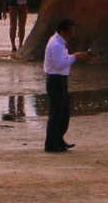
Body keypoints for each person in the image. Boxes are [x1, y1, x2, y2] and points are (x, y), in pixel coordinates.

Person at [42, 19, 91, 152]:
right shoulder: (56, 44)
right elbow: (59, 65)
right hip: (55, 80)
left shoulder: (59, 43)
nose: (72, 35)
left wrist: (73, 56)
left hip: (60, 80)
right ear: (62, 31)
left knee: (64, 111)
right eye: (70, 32)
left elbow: (62, 61)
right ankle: (51, 144)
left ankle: (59, 139)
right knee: (56, 113)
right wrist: (75, 57)